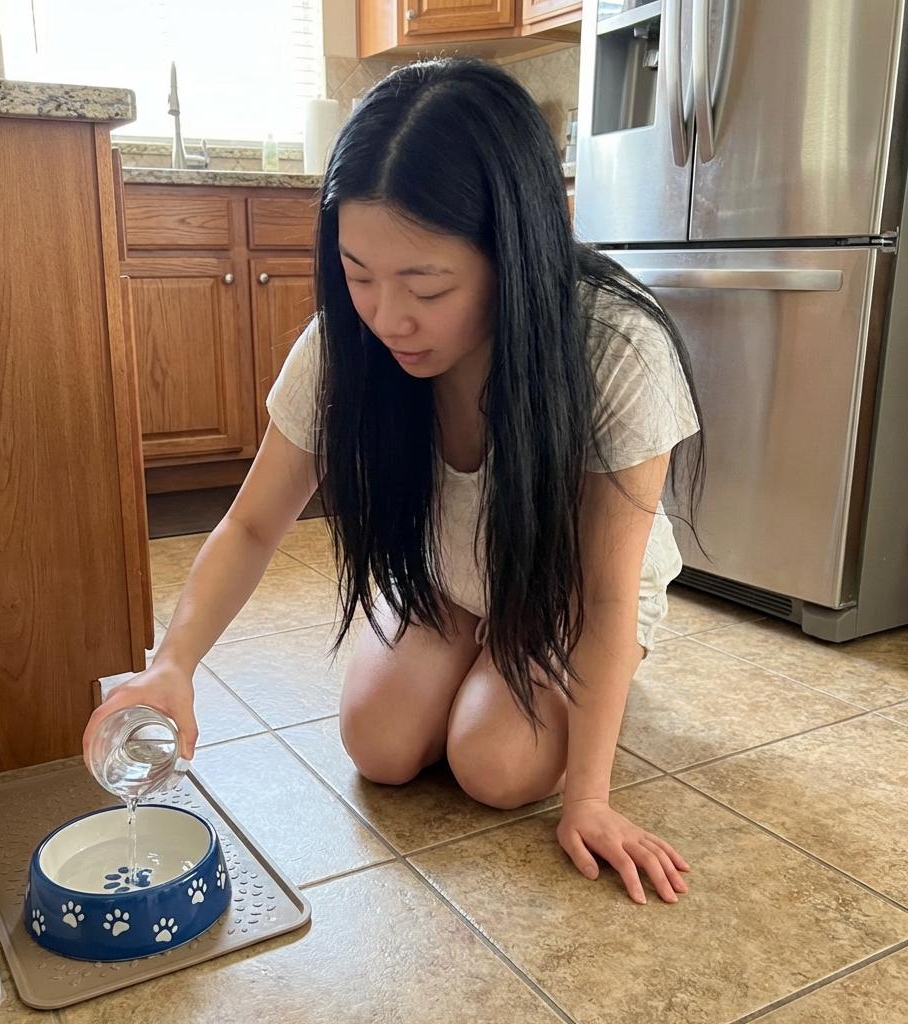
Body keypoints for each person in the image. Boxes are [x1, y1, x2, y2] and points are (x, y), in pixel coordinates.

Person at [85, 58, 703, 906]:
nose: (386, 318)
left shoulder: (615, 349)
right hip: (449, 580)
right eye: (358, 273)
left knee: (495, 763)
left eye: (427, 285)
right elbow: (254, 525)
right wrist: (173, 664)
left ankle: (534, 677)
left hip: (566, 595)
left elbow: (605, 597)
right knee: (378, 745)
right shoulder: (349, 341)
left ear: (511, 253)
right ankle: (473, 646)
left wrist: (589, 799)